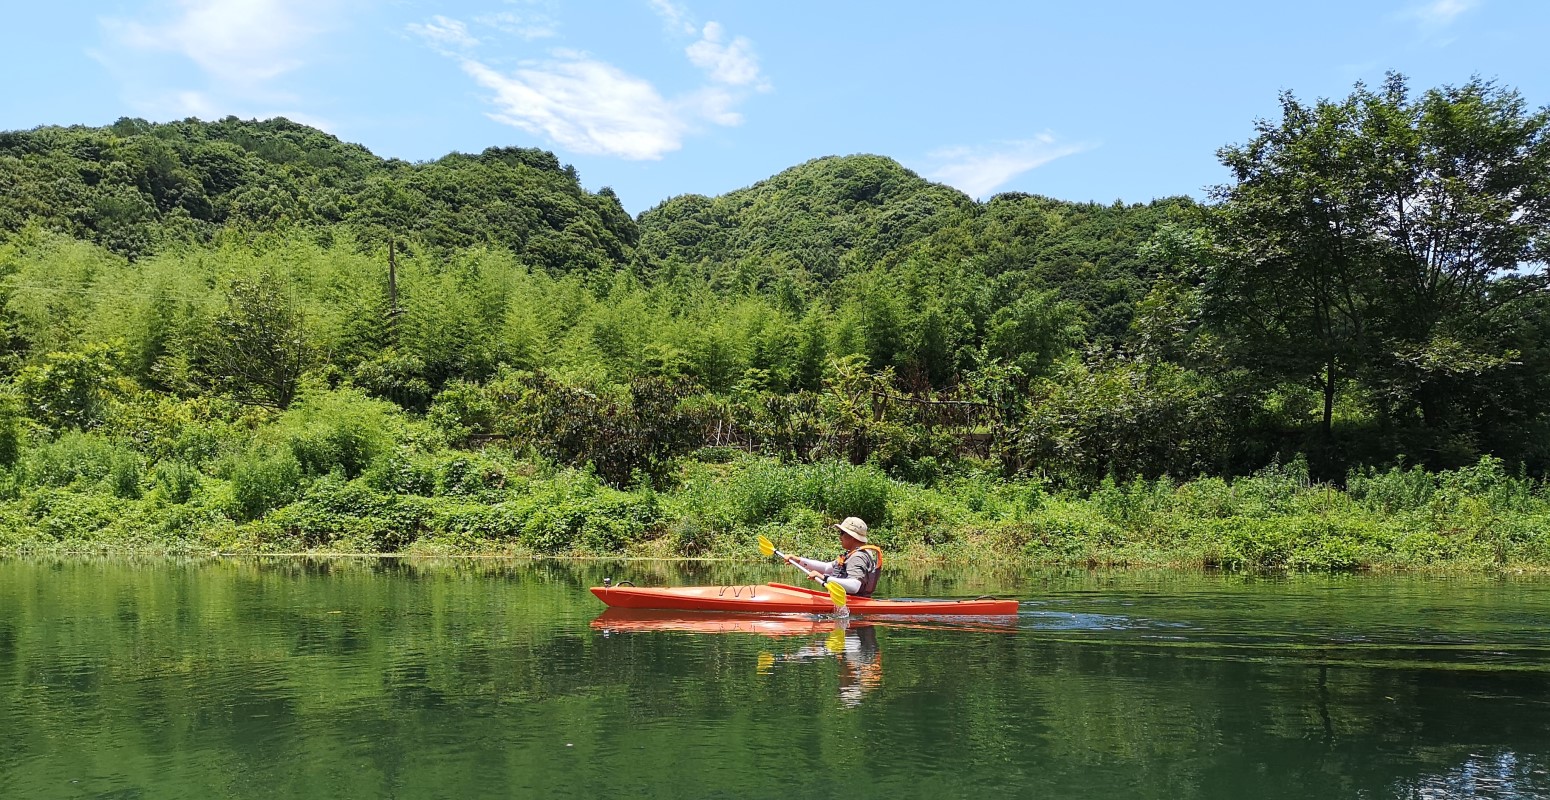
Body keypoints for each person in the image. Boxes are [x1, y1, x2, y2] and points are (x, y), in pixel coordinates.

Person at [791, 516, 883, 598]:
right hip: (848, 600)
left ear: (852, 536)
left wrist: (825, 578)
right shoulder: (851, 554)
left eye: (842, 533)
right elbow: (827, 568)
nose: (840, 537)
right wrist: (799, 560)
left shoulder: (857, 557)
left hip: (853, 602)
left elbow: (854, 586)